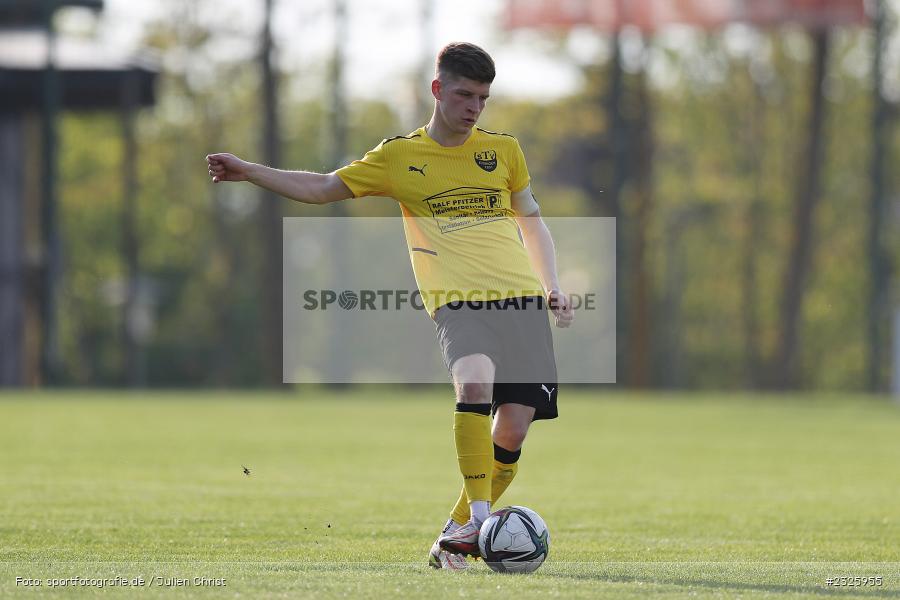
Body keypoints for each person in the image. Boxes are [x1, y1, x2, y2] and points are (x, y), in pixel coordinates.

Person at [206, 41, 573, 571]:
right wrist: (251, 171)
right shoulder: (399, 156)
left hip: (519, 298)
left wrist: (552, 283)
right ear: (437, 89)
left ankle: (456, 532)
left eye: (483, 99)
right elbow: (323, 187)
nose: (474, 108)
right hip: (457, 302)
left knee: (513, 430)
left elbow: (531, 219)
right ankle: (479, 520)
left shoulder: (505, 150)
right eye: (465, 95)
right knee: (473, 382)